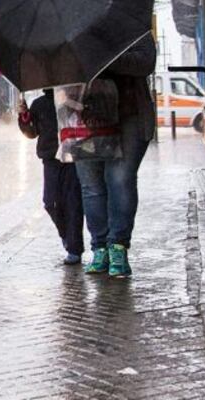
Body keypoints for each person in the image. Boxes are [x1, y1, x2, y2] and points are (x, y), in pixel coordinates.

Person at [74, 34, 157, 278]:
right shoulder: (70, 32)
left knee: (119, 179)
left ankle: (118, 246)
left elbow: (145, 62)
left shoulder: (132, 26)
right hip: (85, 116)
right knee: (91, 186)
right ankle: (99, 248)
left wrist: (105, 57)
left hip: (129, 116)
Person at [19, 90, 85, 265]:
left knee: (73, 203)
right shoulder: (40, 104)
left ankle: (74, 248)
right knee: (50, 202)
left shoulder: (73, 99)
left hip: (72, 157)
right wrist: (24, 116)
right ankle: (67, 236)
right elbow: (31, 132)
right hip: (50, 159)